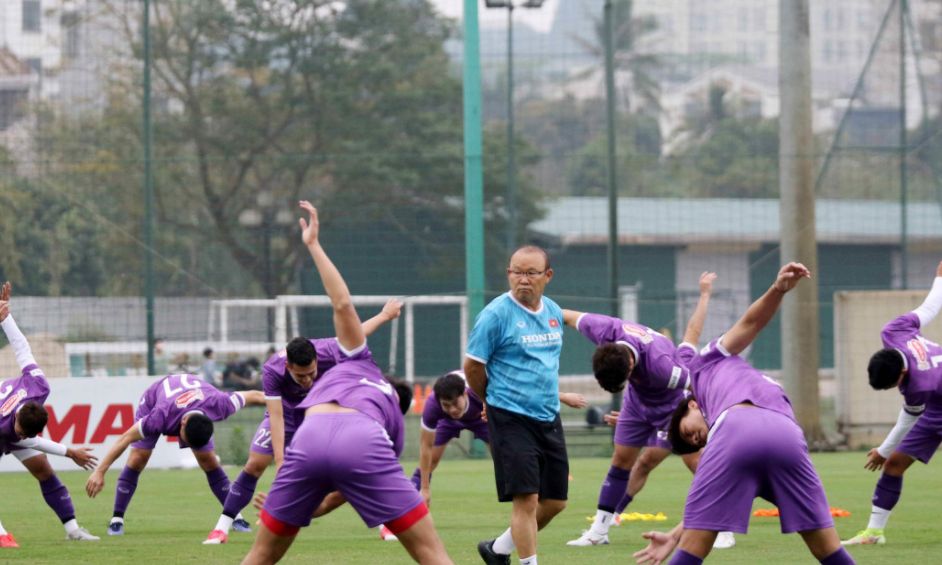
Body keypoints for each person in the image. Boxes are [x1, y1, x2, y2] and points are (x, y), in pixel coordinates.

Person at [240, 200, 452, 564]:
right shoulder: (393, 422)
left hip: (307, 439)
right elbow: (353, 476)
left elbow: (342, 305)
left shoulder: (357, 360)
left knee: (261, 555)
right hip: (361, 439)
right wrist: (322, 505)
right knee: (430, 553)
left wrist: (313, 245)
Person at [634, 262, 855, 565]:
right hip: (786, 436)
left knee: (692, 552)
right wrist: (673, 535)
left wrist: (778, 290)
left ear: (691, 404)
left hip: (739, 428)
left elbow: (750, 324)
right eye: (695, 444)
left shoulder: (704, 365)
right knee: (830, 551)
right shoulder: (754, 382)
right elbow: (716, 499)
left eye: (688, 432)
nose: (698, 439)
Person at [204, 297, 403, 544]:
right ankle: (221, 528)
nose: (307, 380)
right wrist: (281, 463)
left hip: (321, 415)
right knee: (255, 464)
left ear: (317, 361)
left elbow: (357, 334)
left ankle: (386, 524)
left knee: (353, 464)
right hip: (287, 415)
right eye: (300, 376)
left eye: (311, 374)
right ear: (288, 366)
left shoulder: (330, 351)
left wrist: (384, 315)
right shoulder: (272, 371)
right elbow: (275, 416)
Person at [562, 272, 735, 550]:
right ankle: (599, 531)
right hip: (637, 403)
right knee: (622, 460)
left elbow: (701, 387)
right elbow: (563, 315)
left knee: (696, 463)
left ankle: (723, 526)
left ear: (631, 369)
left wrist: (715, 421)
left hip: (673, 409)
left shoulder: (665, 369)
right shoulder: (605, 330)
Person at [465, 245, 566, 565]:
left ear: (547, 276)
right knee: (526, 500)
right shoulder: (495, 315)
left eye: (531, 273)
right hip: (510, 418)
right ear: (508, 274)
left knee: (555, 503)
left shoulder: (553, 312)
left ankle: (497, 550)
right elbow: (473, 367)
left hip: (549, 416)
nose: (523, 279)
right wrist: (487, 399)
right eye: (516, 272)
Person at [398, 370, 585, 544]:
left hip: (482, 417)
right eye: (447, 405)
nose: (453, 409)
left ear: (464, 394)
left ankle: (527, 503)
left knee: (506, 460)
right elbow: (425, 446)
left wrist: (563, 397)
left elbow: (523, 389)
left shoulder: (481, 387)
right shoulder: (434, 406)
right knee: (432, 461)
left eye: (456, 403)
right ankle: (404, 507)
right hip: (448, 424)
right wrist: (425, 488)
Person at [85, 372, 266, 535]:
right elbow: (124, 438)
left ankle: (235, 517)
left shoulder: (219, 403)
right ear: (182, 424)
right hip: (154, 399)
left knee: (209, 460)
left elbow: (256, 395)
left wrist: (286, 402)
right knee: (138, 458)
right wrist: (100, 471)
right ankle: (117, 519)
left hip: (196, 396)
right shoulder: (160, 416)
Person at [842, 260, 942, 546]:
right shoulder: (893, 331)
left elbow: (907, 421)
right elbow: (928, 309)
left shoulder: (918, 384)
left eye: (894, 384)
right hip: (938, 405)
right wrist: (940, 279)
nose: (896, 389)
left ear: (903, 373)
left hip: (935, 400)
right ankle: (874, 533)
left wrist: (883, 450)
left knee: (890, 457)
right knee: (895, 465)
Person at [0, 282, 100, 547]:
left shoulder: (39, 386)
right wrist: (70, 452)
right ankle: (1, 535)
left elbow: (23, 349)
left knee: (43, 469)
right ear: (18, 420)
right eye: (20, 431)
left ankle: (73, 529)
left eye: (24, 433)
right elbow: (28, 440)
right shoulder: (6, 427)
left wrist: (6, 318)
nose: (21, 435)